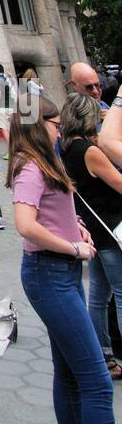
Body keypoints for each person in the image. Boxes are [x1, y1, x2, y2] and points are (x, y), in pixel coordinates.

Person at [8, 97, 120, 424]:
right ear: (39, 125)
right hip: (49, 276)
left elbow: (57, 211)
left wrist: (77, 230)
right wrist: (72, 246)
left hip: (61, 275)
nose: (60, 129)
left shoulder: (45, 161)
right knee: (97, 382)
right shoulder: (30, 167)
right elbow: (25, 224)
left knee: (72, 375)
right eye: (54, 124)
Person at [60, 93, 122, 382]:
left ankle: (103, 353)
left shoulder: (66, 147)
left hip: (94, 230)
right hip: (111, 228)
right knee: (119, 294)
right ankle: (106, 353)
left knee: (99, 293)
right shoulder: (89, 150)